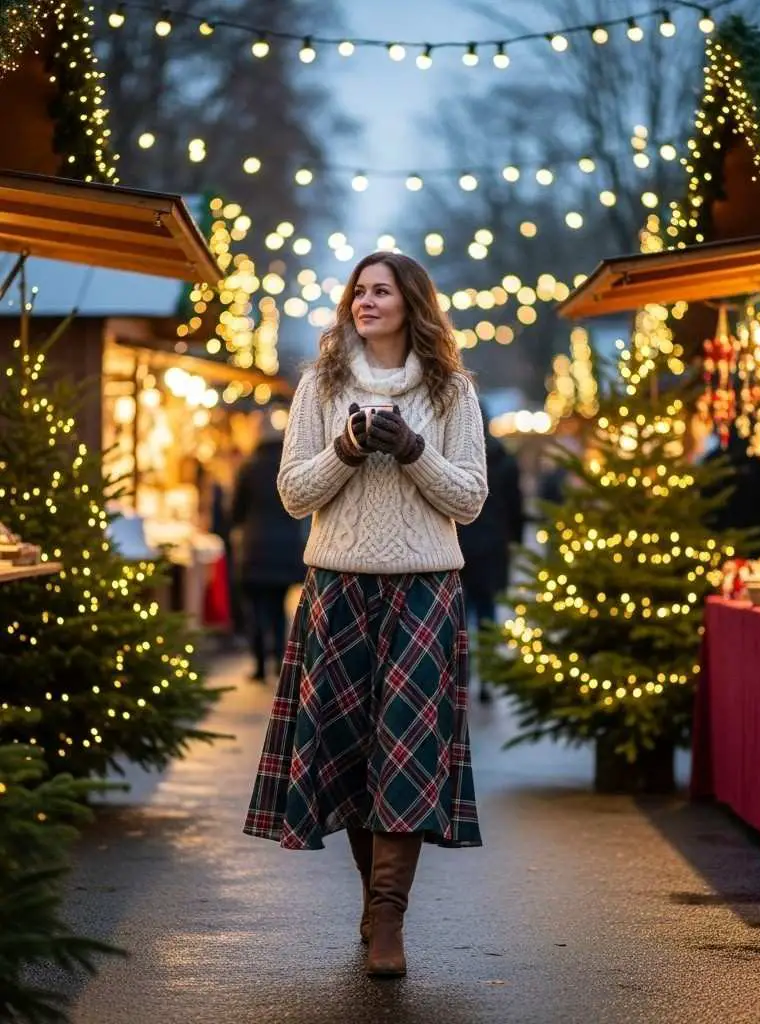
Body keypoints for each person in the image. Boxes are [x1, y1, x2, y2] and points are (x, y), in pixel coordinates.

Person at [243, 251, 488, 979]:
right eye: (358, 290)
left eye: (381, 291)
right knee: (350, 751)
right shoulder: (321, 385)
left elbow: (469, 500)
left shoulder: (452, 393)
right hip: (338, 585)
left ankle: (389, 919)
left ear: (412, 303)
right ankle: (370, 896)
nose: (365, 301)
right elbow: (293, 493)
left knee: (406, 749)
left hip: (422, 587)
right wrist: (348, 448)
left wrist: (412, 449)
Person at [231, 410, 305, 681]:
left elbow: (235, 512)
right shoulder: (288, 467)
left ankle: (260, 663)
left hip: (255, 549)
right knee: (279, 607)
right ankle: (279, 661)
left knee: (257, 609)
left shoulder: (248, 468)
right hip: (286, 549)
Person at [457, 410, 524, 703]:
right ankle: (486, 678)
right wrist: (516, 542)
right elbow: (515, 506)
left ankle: (463, 677)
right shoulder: (505, 460)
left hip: (459, 548)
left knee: (461, 617)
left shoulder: (458, 456)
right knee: (487, 616)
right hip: (493, 549)